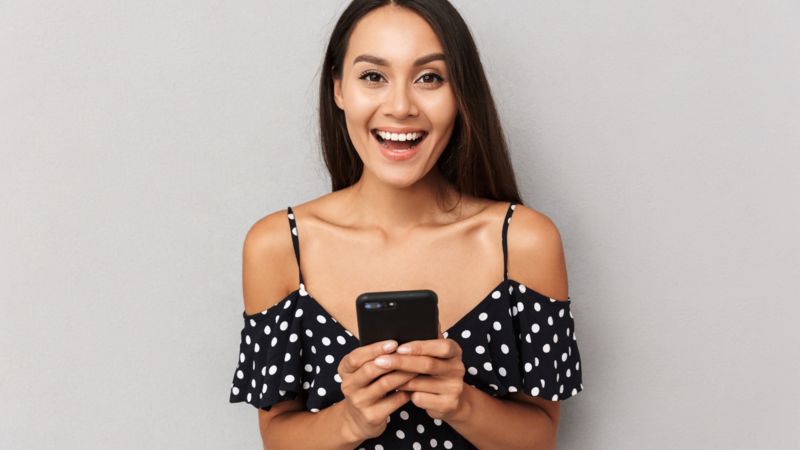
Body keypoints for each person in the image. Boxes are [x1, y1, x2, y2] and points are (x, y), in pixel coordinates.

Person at [229, 0, 584, 448]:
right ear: (338, 88)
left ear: (460, 94)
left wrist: (463, 405)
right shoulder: (278, 246)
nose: (400, 106)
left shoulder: (524, 241)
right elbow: (277, 438)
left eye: (429, 78)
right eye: (373, 76)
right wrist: (351, 421)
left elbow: (541, 438)